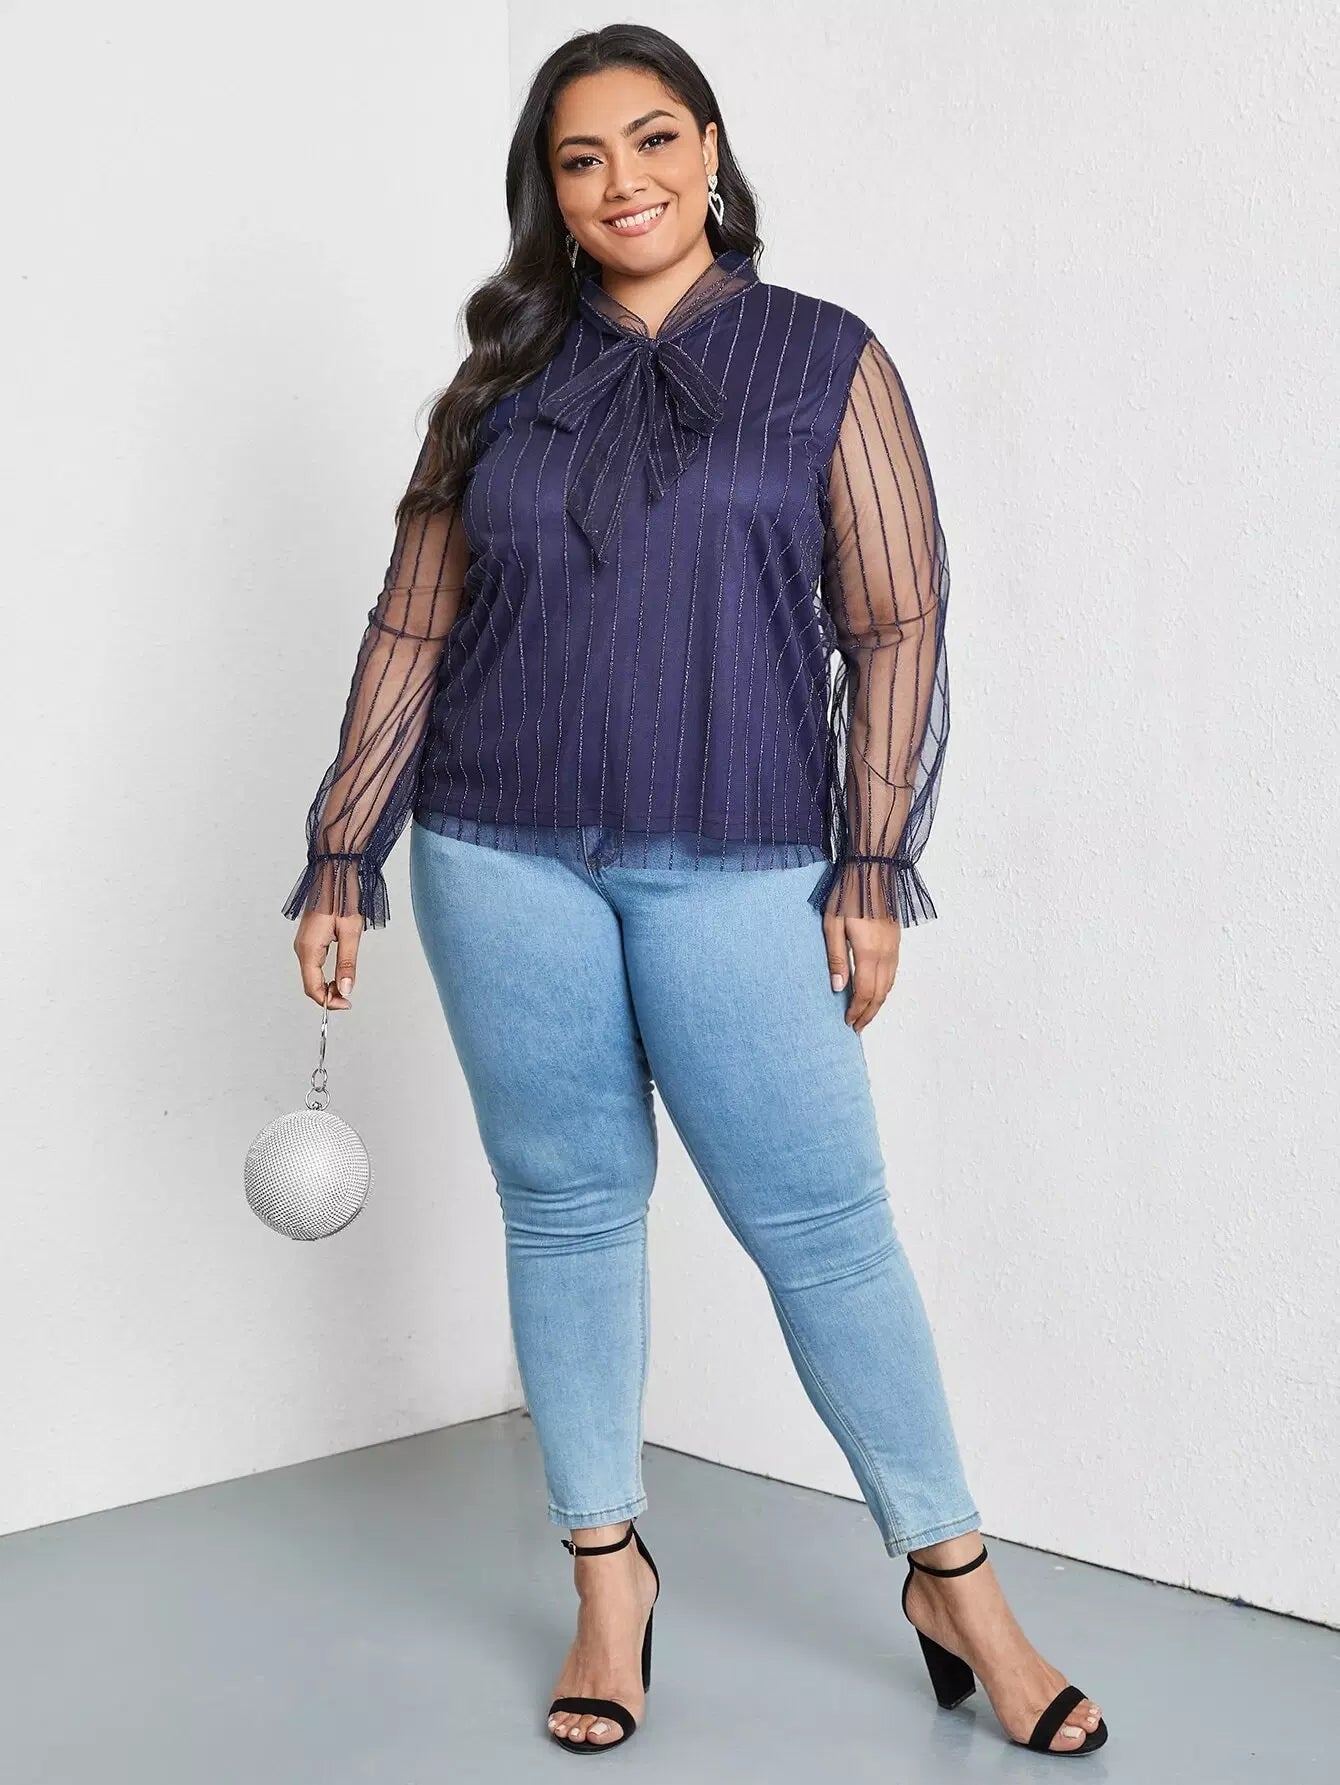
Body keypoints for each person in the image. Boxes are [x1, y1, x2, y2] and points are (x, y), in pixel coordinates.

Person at [282, 22, 1107, 1762]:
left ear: (713, 149)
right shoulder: (500, 375)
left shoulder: (824, 358)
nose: (624, 182)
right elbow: (416, 619)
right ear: (550, 191)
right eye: (581, 159)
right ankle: (609, 1575)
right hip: (497, 846)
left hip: (742, 848)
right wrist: (345, 844)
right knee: (566, 1207)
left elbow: (897, 620)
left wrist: (872, 860)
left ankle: (955, 1580)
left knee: (826, 1228)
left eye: (654, 140)